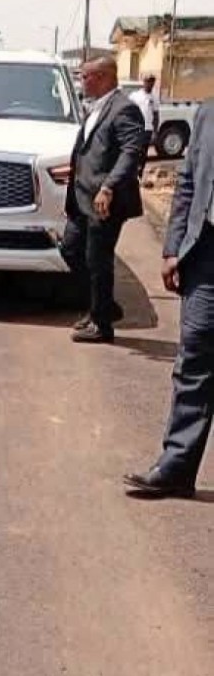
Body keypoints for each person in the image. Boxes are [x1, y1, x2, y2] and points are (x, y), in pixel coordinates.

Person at [125, 101, 214, 498]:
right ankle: (177, 467)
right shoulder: (209, 112)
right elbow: (190, 182)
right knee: (194, 357)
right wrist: (172, 247)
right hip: (206, 252)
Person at [60, 57, 148, 344]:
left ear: (102, 77)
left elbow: (130, 152)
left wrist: (109, 187)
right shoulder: (97, 108)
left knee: (98, 260)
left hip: (104, 201)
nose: (81, 82)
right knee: (72, 250)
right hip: (81, 198)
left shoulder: (125, 109)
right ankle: (104, 306)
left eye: (84, 76)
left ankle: (102, 325)